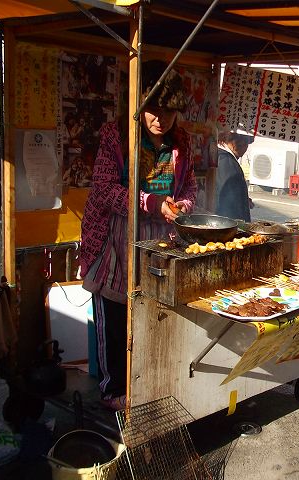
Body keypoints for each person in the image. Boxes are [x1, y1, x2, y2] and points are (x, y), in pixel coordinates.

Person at [79, 60, 196, 410]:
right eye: (154, 110)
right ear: (139, 105)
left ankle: (149, 383)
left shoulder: (181, 142)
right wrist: (150, 202)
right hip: (117, 237)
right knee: (115, 312)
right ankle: (113, 390)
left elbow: (189, 186)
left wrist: (183, 205)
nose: (161, 119)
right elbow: (104, 189)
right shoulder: (117, 136)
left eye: (169, 111)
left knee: (154, 313)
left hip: (161, 238)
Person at [214, 129, 254, 222]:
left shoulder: (218, 156)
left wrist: (243, 198)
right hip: (228, 223)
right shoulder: (227, 162)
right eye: (246, 144)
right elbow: (227, 200)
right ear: (236, 143)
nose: (245, 148)